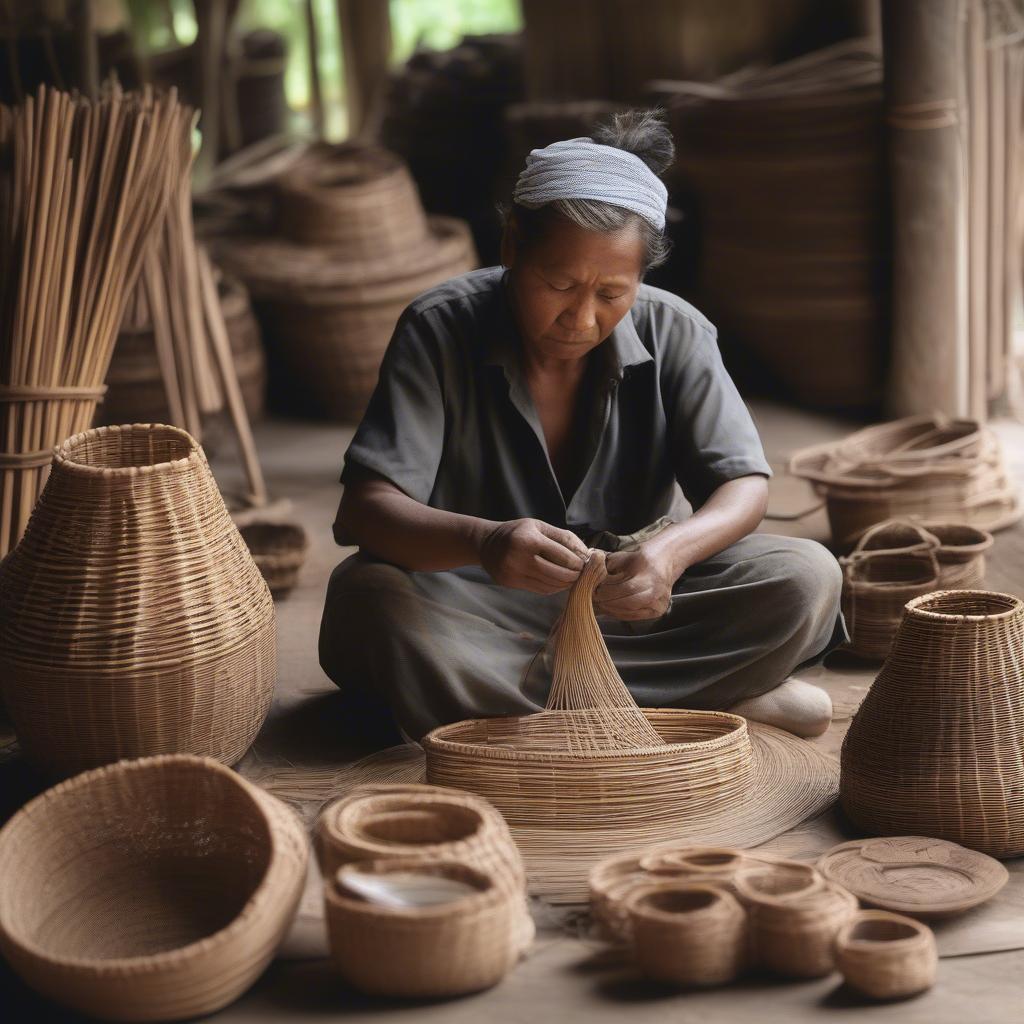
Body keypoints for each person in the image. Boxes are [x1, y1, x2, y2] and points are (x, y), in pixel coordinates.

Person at [319, 110, 845, 743]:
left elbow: (744, 486)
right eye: (558, 282)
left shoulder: (676, 329)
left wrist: (667, 556)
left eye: (611, 293)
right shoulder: (440, 326)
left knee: (807, 576)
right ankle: (701, 699)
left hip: (631, 603)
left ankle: (517, 713)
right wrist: (487, 544)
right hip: (480, 602)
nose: (581, 316)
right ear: (512, 245)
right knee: (371, 603)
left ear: (642, 279)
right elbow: (369, 508)